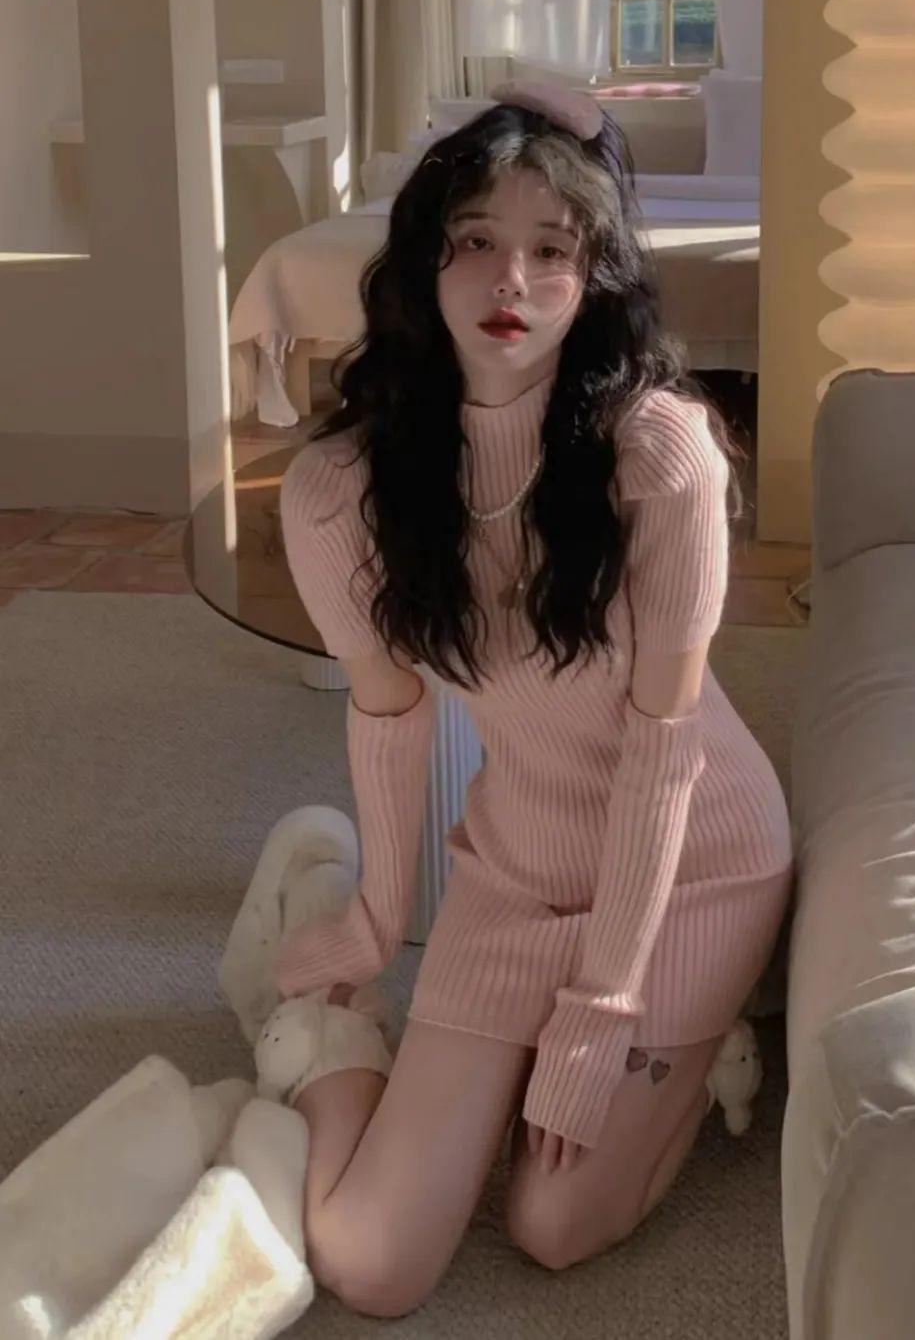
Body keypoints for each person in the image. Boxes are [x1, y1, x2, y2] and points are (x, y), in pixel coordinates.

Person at [238, 79, 794, 1318]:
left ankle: (698, 1039)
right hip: (519, 868)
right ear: (424, 259)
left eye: (554, 250)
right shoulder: (338, 493)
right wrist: (379, 918)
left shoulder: (660, 453)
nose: (513, 281)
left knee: (554, 1223)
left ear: (594, 275)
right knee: (371, 1264)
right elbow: (390, 714)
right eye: (477, 240)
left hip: (694, 867)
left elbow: (664, 753)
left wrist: (600, 1011)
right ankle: (333, 1032)